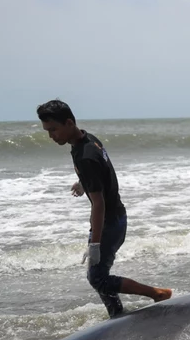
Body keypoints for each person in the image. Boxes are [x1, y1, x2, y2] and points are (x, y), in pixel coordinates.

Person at [36, 100, 171, 317]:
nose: (51, 136)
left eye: (53, 129)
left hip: (110, 222)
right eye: (47, 131)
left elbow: (99, 204)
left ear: (69, 122)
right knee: (98, 275)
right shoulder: (87, 140)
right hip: (114, 219)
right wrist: (84, 184)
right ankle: (116, 313)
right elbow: (103, 172)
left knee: (97, 278)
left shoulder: (85, 155)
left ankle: (156, 293)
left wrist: (95, 243)